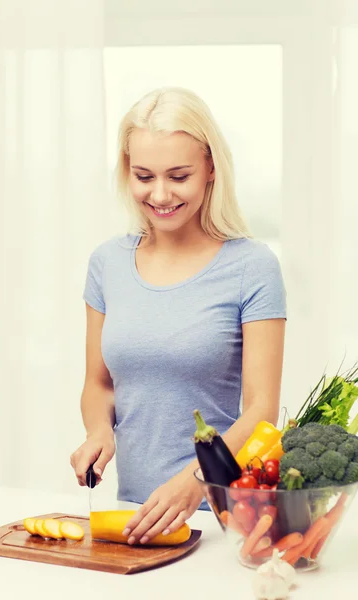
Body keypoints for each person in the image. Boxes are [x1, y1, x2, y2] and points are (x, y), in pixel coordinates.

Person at [70, 86, 286, 546]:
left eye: (179, 175)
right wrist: (97, 432)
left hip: (226, 519)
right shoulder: (107, 262)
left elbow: (261, 410)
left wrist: (198, 479)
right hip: (134, 515)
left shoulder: (253, 267)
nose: (161, 193)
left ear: (210, 168)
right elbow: (99, 383)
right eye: (144, 175)